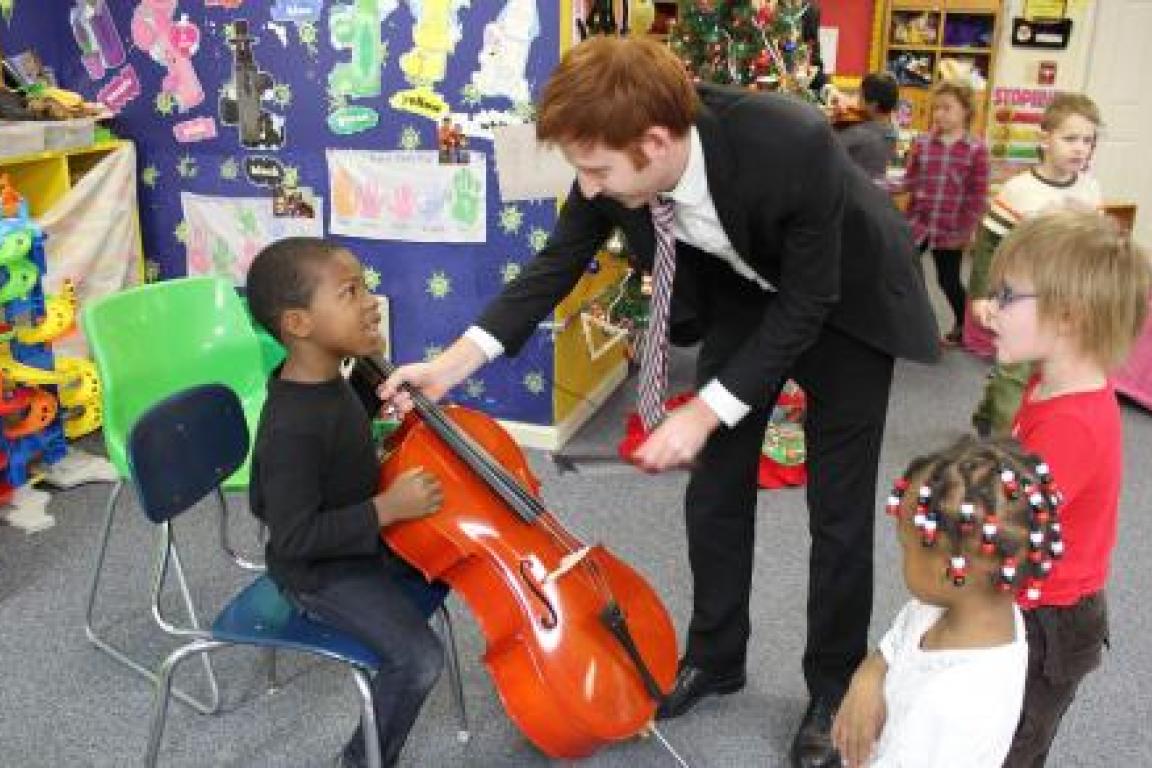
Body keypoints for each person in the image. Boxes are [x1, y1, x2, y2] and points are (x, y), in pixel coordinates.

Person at [380, 36, 938, 768]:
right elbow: (555, 265)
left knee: (838, 510)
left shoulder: (789, 141)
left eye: (598, 170)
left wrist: (706, 408)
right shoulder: (612, 162)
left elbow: (807, 303)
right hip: (744, 289)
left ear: (655, 141)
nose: (588, 186)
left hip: (844, 300)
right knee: (714, 490)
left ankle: (832, 685)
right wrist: (451, 365)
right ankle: (716, 655)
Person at [246, 237, 447, 768]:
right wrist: (387, 510)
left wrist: (373, 390)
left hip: (359, 541)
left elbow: (348, 432)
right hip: (318, 572)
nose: (371, 301)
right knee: (419, 659)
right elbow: (293, 539)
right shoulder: (292, 427)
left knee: (452, 556)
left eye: (366, 287)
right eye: (351, 292)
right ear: (298, 324)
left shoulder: (332, 379)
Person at [984, 208, 1149, 766]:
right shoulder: (1050, 384)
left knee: (1011, 746)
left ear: (1069, 316)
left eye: (1006, 297)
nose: (989, 308)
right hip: (1032, 599)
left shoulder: (1072, 425)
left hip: (1048, 621)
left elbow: (1003, 531)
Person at [833, 436, 1062, 768]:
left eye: (905, 547)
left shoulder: (956, 706)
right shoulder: (966, 605)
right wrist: (868, 678)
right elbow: (899, 637)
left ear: (949, 569)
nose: (901, 556)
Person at [967, 93, 1103, 436]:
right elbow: (988, 245)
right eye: (1070, 138)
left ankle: (987, 411)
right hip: (1021, 299)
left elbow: (1092, 249)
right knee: (1014, 373)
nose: (1080, 148)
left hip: (1066, 301)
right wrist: (981, 295)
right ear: (1045, 139)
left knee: (1048, 370)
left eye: (1087, 140)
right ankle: (1003, 446)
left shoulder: (1090, 191)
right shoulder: (1019, 190)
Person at [901, 78, 990, 346]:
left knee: (948, 280)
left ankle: (964, 327)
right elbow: (910, 181)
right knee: (903, 275)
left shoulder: (976, 150)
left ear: (966, 110)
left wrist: (965, 231)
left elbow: (977, 196)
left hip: (950, 230)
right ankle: (908, 327)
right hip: (919, 223)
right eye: (936, 108)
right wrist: (875, 185)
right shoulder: (923, 143)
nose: (939, 113)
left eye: (947, 108)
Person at [835, 72, 900, 183]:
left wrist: (834, 121)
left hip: (852, 190)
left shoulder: (859, 133)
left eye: (860, 96)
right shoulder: (892, 130)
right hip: (875, 188)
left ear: (873, 105)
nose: (857, 100)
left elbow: (828, 146)